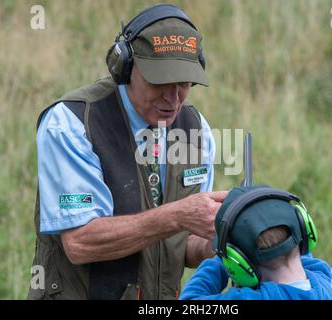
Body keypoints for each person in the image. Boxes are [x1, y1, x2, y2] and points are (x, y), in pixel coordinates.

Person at [27, 4, 227, 300]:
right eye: (160, 82)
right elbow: (80, 243)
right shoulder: (71, 124)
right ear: (125, 67)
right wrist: (178, 215)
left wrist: (221, 240)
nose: (173, 99)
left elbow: (185, 244)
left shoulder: (196, 128)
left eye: (184, 83)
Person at [180, 186, 332, 300]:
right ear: (305, 234)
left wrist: (222, 258)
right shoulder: (325, 282)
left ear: (239, 264)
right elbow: (306, 259)